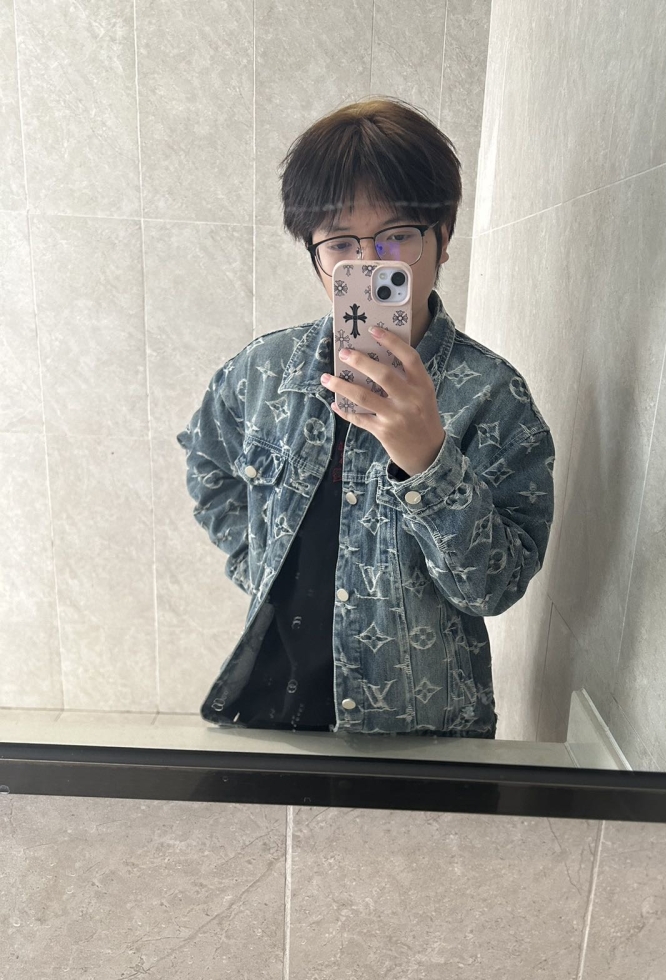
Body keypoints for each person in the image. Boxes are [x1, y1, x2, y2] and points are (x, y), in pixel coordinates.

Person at [177, 97, 555, 738]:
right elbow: (208, 466)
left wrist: (430, 463)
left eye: (397, 234)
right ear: (315, 257)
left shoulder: (493, 397)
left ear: (443, 237)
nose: (372, 261)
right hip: (272, 715)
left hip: (418, 736)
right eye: (341, 243)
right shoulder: (261, 373)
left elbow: (495, 588)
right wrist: (258, 561)